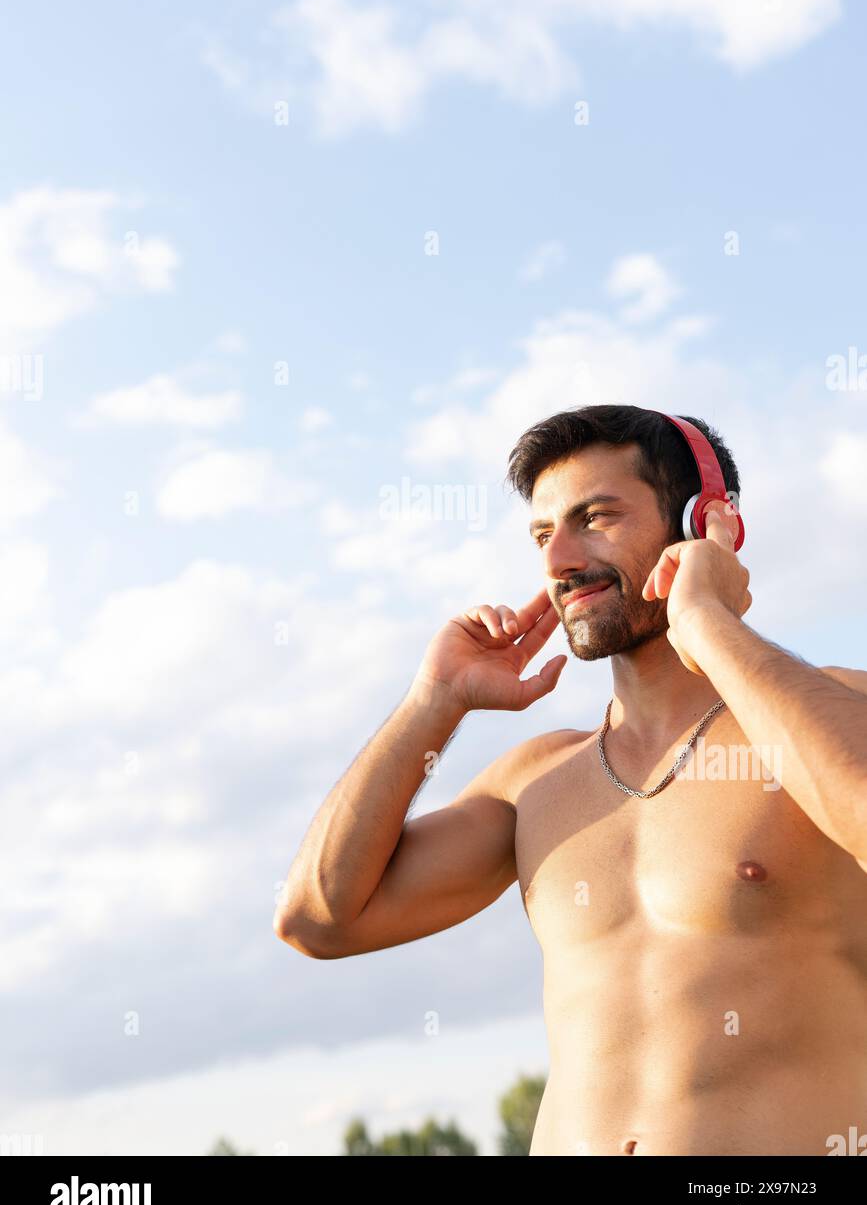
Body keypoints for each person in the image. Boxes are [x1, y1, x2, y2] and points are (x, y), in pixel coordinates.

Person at [274, 404, 867, 1156]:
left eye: (594, 518)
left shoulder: (840, 711)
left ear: (705, 524)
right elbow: (317, 920)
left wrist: (708, 620)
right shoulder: (536, 780)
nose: (558, 560)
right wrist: (433, 702)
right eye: (541, 534)